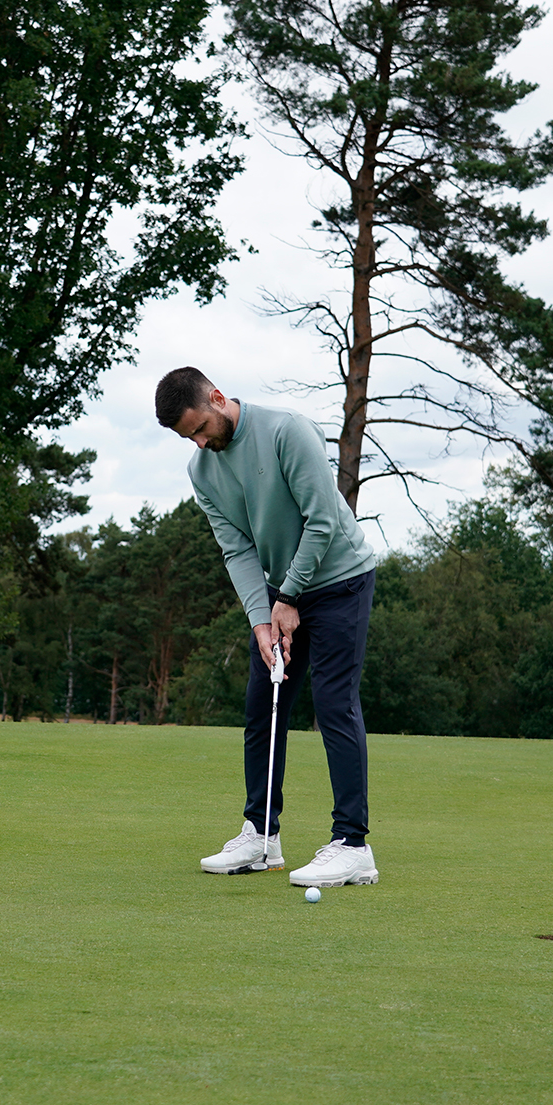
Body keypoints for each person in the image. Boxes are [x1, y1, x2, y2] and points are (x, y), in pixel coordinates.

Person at [155, 367, 381, 887]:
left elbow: (323, 519)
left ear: (217, 398)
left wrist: (288, 597)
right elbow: (236, 550)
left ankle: (353, 845)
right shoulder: (202, 471)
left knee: (333, 703)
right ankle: (261, 836)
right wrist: (262, 619)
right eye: (188, 437)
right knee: (262, 708)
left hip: (341, 581)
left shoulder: (287, 431)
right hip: (283, 598)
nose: (199, 442)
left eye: (200, 428)